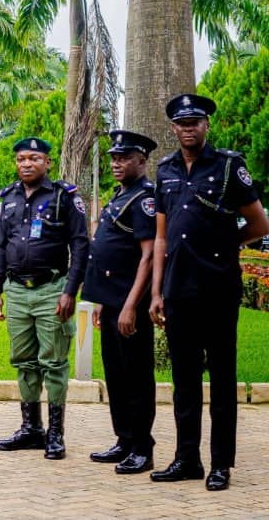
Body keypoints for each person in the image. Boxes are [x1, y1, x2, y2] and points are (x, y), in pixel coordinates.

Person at [149, 94, 269, 491]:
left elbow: (260, 223)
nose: (188, 128)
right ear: (173, 128)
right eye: (182, 123)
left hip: (217, 286)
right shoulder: (164, 170)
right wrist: (156, 291)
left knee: (221, 378)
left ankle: (221, 464)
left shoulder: (229, 166)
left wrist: (227, 240)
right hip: (179, 289)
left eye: (195, 122)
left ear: (206, 126)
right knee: (183, 380)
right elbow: (162, 236)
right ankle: (187, 459)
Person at [0, 136, 88, 460]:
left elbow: (80, 245)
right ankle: (31, 429)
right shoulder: (9, 197)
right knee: (24, 362)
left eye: (34, 158)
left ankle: (56, 434)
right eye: (21, 159)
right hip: (17, 291)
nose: (27, 164)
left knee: (54, 363)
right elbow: (1, 247)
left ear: (47, 161)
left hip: (52, 291)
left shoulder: (64, 196)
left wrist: (69, 291)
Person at [84, 130, 158, 474]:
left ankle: (143, 447)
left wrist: (130, 305)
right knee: (115, 374)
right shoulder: (120, 195)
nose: (116, 163)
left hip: (132, 305)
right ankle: (124, 439)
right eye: (114, 158)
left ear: (142, 161)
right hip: (112, 302)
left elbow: (148, 258)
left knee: (136, 377)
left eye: (125, 158)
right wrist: (102, 300)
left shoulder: (144, 199)